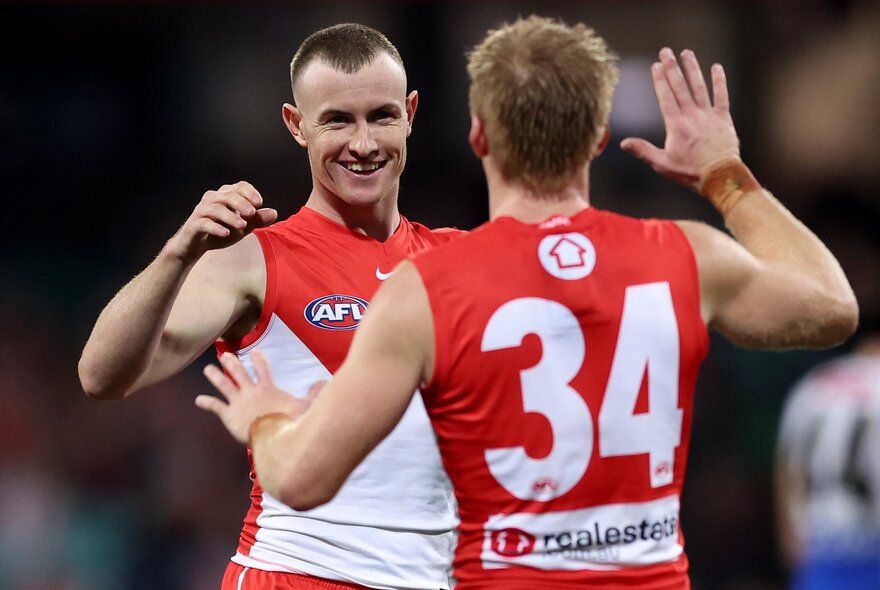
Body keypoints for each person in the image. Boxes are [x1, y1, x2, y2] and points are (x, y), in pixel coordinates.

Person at [196, 16, 858, 590]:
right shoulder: (684, 255)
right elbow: (832, 305)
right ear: (598, 137)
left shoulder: (428, 288)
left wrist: (266, 419)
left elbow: (303, 480)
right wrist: (723, 174)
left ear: (478, 134)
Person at [78, 24, 460, 590]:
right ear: (296, 125)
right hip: (299, 574)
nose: (363, 143)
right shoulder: (254, 259)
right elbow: (101, 376)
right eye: (336, 119)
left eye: (380, 115)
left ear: (410, 113)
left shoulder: (456, 258)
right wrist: (177, 255)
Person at [775, 329, 880, 590]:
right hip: (872, 539)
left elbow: (787, 467)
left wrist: (789, 535)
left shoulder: (811, 385)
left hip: (820, 543)